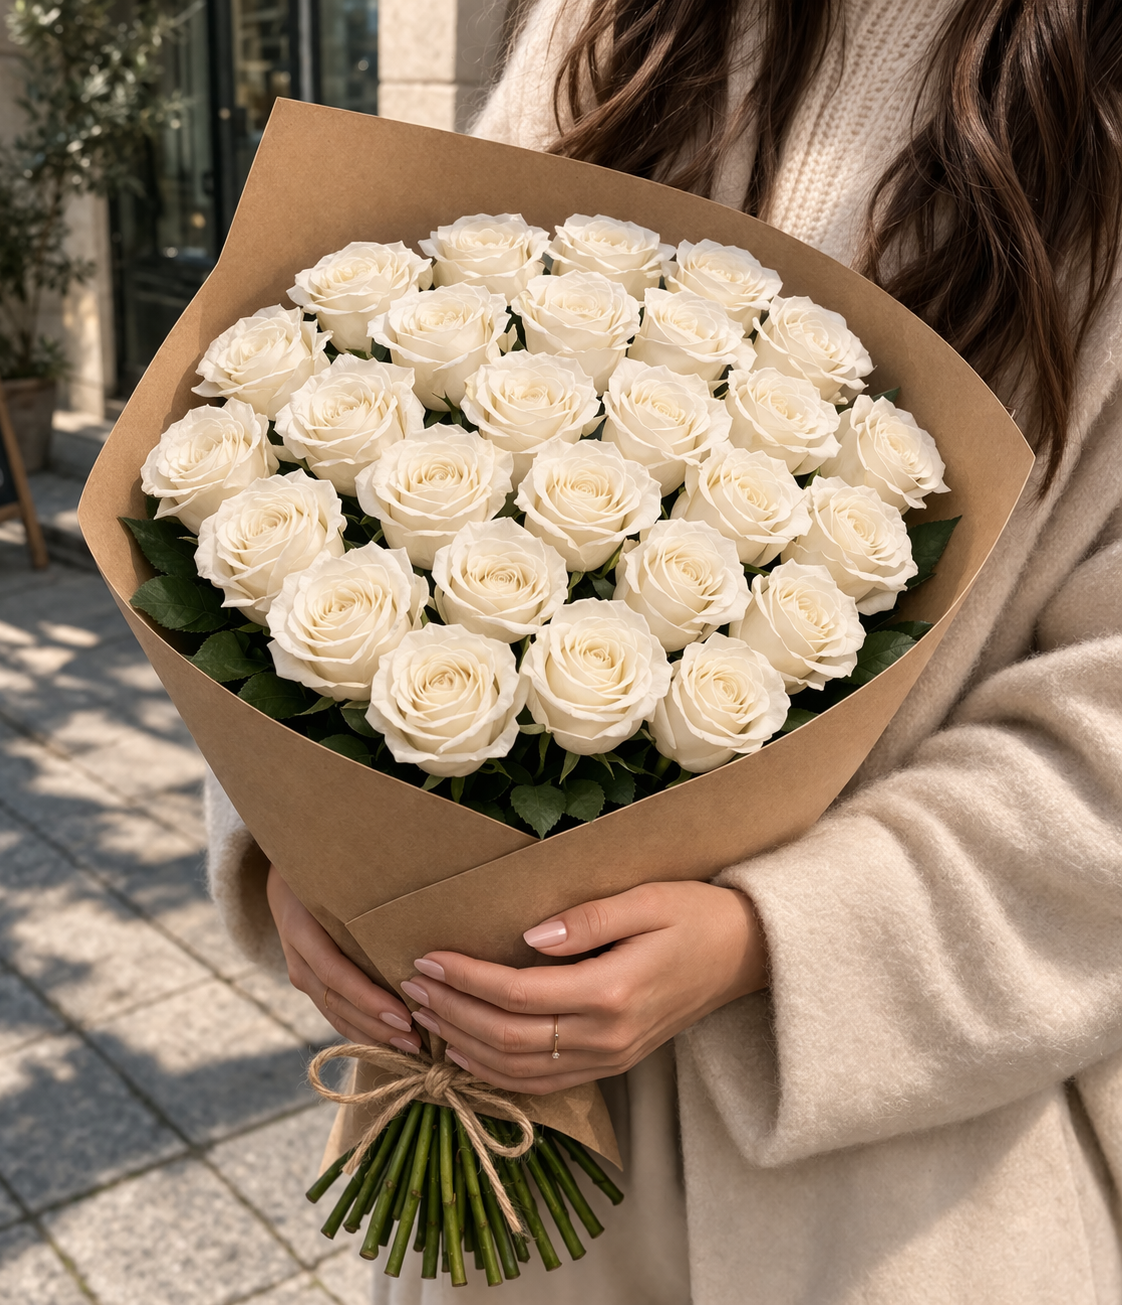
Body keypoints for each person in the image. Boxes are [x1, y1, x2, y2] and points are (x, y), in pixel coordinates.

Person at [206, 1, 1122, 1300]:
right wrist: (309, 839)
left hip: (897, 1192)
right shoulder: (618, 21)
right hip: (496, 1106)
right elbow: (368, 390)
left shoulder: (1095, 105)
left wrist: (775, 938)